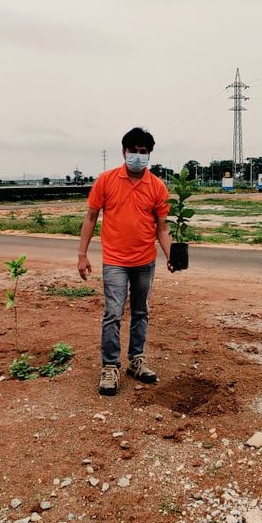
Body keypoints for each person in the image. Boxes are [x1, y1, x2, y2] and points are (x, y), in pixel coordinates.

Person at [77, 127, 173, 396]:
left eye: (144, 152)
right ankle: (110, 366)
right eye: (134, 151)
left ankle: (136, 360)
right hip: (115, 261)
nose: (138, 156)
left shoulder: (157, 187)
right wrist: (82, 254)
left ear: (149, 155)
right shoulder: (106, 181)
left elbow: (162, 228)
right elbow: (91, 217)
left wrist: (171, 255)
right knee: (113, 313)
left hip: (145, 261)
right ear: (124, 151)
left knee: (141, 311)